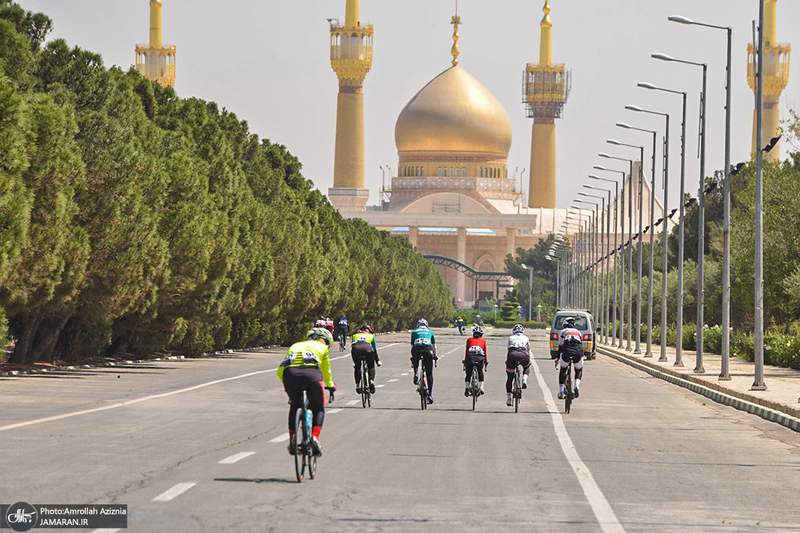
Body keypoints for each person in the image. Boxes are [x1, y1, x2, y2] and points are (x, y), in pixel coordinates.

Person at [277, 328, 336, 457]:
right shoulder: (323, 348)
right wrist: (331, 386)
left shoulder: (296, 345)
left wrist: (288, 388)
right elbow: (326, 371)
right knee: (319, 408)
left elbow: (280, 371)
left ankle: (292, 440)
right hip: (311, 375)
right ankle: (314, 437)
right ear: (325, 341)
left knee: (295, 405)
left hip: (289, 375)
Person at [410, 318, 437, 404]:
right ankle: (430, 395)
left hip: (416, 349)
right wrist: (435, 355)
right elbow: (434, 346)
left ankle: (415, 373)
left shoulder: (414, 332)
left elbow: (412, 345)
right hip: (427, 350)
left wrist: (413, 357)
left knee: (415, 358)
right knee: (429, 373)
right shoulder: (430, 332)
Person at [505, 324, 531, 407]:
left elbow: (508, 349)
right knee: (527, 366)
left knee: (510, 377)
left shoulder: (511, 338)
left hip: (512, 355)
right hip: (524, 354)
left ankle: (509, 398)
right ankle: (524, 379)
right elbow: (528, 349)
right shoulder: (526, 338)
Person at [351, 324, 381, 393]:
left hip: (356, 350)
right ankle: (371, 381)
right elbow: (374, 349)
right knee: (371, 366)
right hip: (367, 350)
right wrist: (377, 361)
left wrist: (355, 362)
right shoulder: (371, 336)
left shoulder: (355, 335)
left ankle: (358, 386)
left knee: (357, 367)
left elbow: (353, 346)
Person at [558, 323, 585, 399]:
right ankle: (576, 384)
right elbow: (581, 345)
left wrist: (557, 358)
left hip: (566, 351)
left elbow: (560, 346)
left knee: (563, 370)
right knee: (578, 369)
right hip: (577, 351)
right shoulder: (578, 332)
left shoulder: (563, 332)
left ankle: (561, 391)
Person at [464, 325, 487, 396]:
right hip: (480, 358)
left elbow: (467, 351)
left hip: (470, 358)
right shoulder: (483, 340)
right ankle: (481, 388)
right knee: (480, 372)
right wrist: (485, 361)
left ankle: (467, 387)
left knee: (468, 374)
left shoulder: (469, 340)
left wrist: (465, 361)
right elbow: (485, 352)